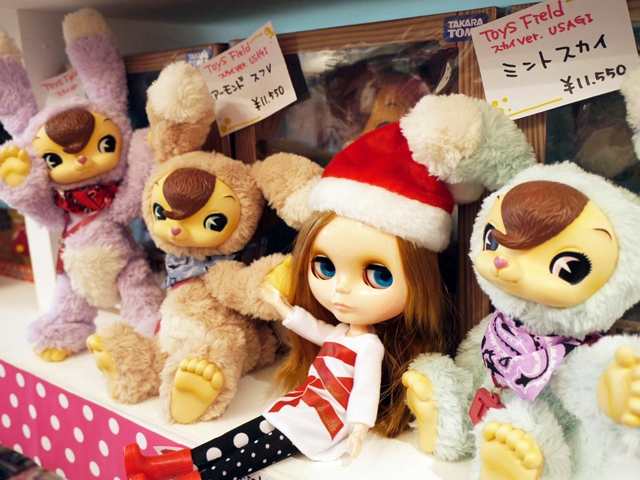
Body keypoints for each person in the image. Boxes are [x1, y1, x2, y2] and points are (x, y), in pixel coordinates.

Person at [124, 120, 455, 480]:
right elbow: (314, 329)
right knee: (241, 437)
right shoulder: (342, 333)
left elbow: (364, 389)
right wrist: (283, 307)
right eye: (325, 267)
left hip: (324, 418)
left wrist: (360, 425)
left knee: (251, 456)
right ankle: (160, 465)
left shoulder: (369, 346)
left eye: (378, 276)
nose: (341, 290)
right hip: (302, 403)